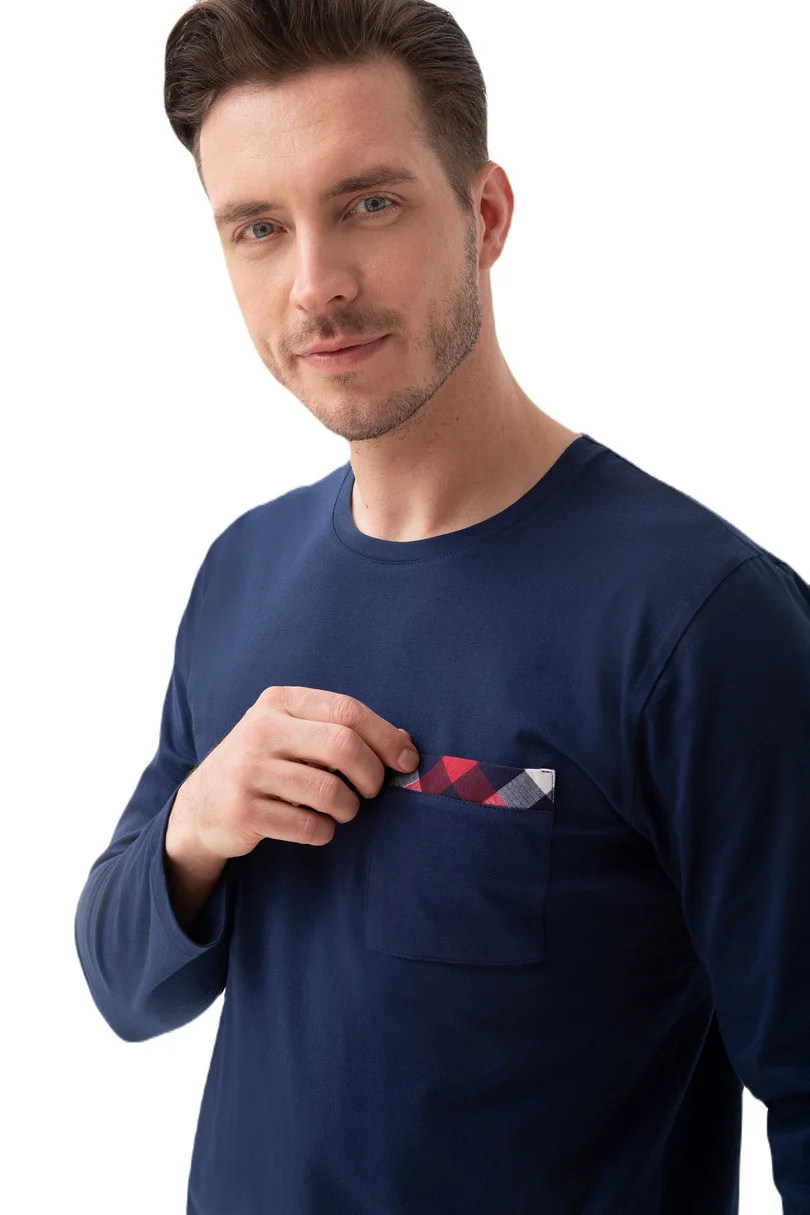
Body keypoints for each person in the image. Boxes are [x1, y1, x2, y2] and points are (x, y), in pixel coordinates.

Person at [74, 1, 810, 1212]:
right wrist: (195, 827)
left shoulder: (704, 625)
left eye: (369, 203)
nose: (315, 287)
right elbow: (124, 987)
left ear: (486, 215)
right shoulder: (240, 573)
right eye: (260, 228)